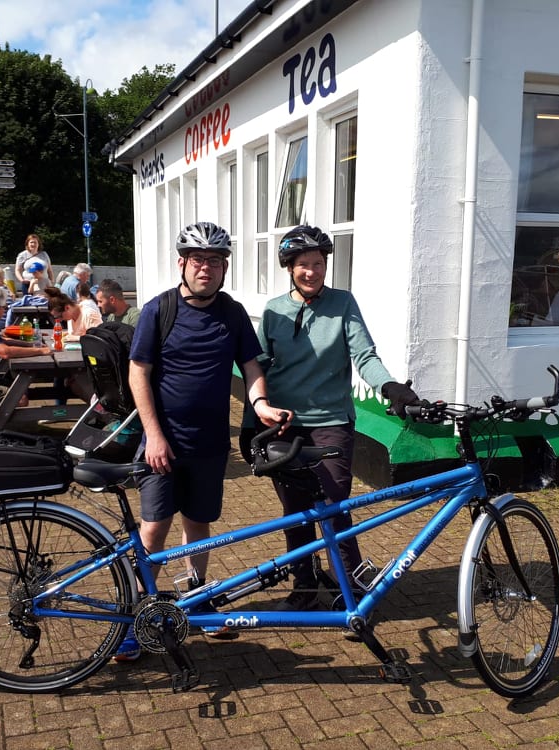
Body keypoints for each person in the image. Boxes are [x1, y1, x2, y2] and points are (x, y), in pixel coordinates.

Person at [116, 221, 289, 661]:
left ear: (224, 266)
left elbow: (250, 366)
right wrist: (153, 436)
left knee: (198, 524)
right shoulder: (158, 310)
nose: (206, 268)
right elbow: (139, 373)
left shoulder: (231, 313)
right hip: (163, 444)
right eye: (198, 260)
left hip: (210, 445)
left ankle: (197, 601)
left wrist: (262, 404)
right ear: (183, 264)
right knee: (153, 529)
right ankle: (135, 617)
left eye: (215, 261)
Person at [246, 224, 419, 616]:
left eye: (319, 264)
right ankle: (304, 586)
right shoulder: (273, 310)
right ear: (289, 267)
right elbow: (259, 367)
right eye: (304, 264)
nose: (312, 271)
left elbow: (364, 355)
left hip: (331, 422)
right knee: (295, 509)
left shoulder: (343, 303)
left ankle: (351, 587)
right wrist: (250, 421)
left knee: (333, 503)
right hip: (284, 423)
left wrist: (389, 386)